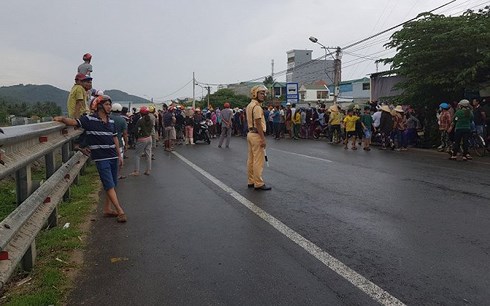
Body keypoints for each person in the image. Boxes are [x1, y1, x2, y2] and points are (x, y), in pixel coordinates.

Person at [54, 95, 127, 223]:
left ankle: (107, 209)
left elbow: (115, 138)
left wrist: (119, 155)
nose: (109, 107)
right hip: (101, 157)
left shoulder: (111, 122)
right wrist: (62, 119)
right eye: (106, 104)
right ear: (99, 106)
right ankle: (120, 210)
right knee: (109, 184)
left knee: (113, 183)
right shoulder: (89, 120)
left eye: (110, 104)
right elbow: (74, 122)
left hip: (113, 156)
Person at [246, 85, 271, 191]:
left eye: (264, 93)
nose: (263, 95)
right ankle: (258, 183)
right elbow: (258, 123)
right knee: (258, 160)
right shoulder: (257, 107)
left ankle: (251, 181)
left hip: (250, 134)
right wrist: (263, 139)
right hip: (256, 134)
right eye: (261, 93)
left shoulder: (249, 105)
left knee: (251, 159)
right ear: (255, 94)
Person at [131, 106, 153, 175]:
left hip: (142, 139)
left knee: (137, 155)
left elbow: (135, 130)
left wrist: (136, 137)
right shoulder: (151, 119)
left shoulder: (140, 120)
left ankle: (136, 171)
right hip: (149, 138)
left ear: (141, 113)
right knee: (148, 155)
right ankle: (148, 170)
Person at [110, 103, 128, 179]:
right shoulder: (122, 120)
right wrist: (126, 144)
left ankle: (110, 174)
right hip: (119, 143)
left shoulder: (108, 118)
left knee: (110, 159)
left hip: (108, 142)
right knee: (119, 159)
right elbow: (125, 134)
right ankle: (118, 174)